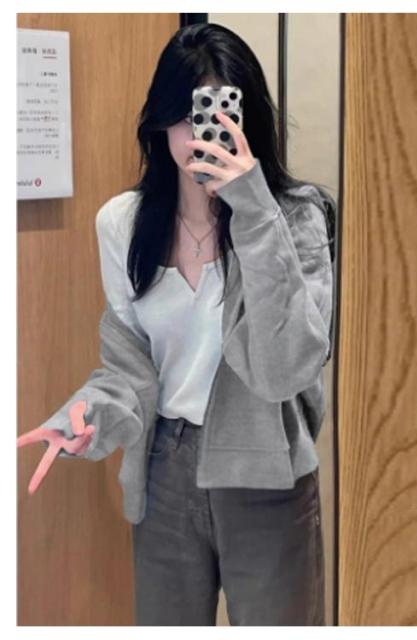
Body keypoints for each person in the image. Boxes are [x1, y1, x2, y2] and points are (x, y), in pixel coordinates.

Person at [18, 22, 336, 626]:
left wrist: (253, 210)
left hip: (265, 472)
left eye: (223, 113)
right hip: (165, 473)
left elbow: (285, 370)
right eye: (190, 116)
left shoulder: (295, 219)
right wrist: (93, 416)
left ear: (249, 121)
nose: (203, 135)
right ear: (161, 121)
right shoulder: (123, 224)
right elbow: (129, 368)